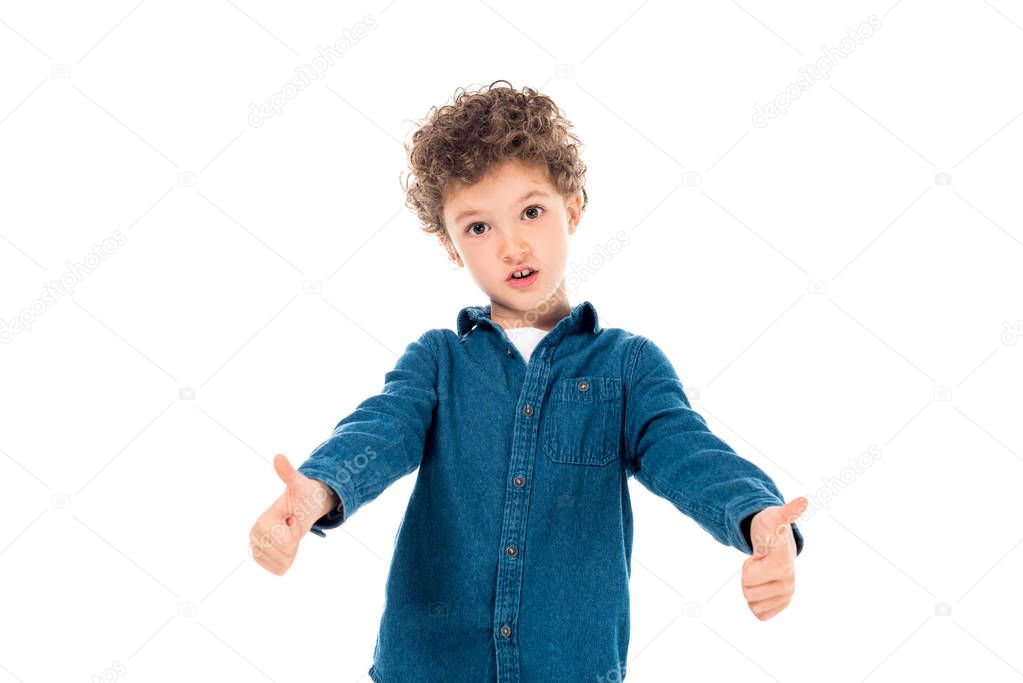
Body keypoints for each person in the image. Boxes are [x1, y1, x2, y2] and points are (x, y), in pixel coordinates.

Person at [249, 79, 807, 682]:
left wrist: (757, 518)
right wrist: (316, 493)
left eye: (531, 212)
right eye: (478, 227)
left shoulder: (627, 366)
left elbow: (686, 450)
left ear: (572, 207)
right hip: (429, 666)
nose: (511, 243)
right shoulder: (438, 361)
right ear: (452, 246)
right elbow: (379, 430)